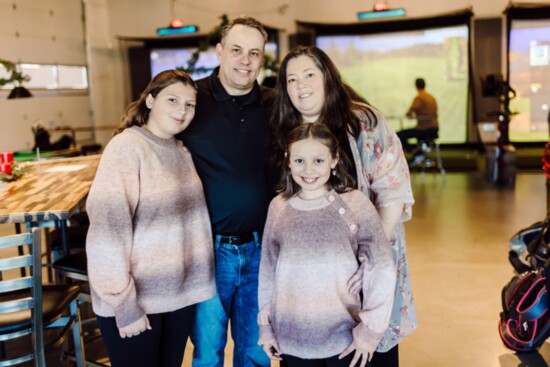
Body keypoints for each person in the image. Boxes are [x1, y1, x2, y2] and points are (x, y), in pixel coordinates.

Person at [270, 46, 416, 367]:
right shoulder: (285, 130)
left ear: (328, 77)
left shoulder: (362, 122)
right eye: (291, 79)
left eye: (309, 75)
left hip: (365, 263)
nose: (301, 85)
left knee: (365, 352)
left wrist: (368, 257)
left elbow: (392, 194)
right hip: (313, 280)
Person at [86, 69, 216, 367]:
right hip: (136, 301)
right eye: (172, 100)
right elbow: (107, 231)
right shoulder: (127, 148)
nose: (182, 111)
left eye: (190, 104)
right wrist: (123, 303)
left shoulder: (180, 150)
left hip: (176, 297)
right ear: (149, 100)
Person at [177, 15, 273, 367]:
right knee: (207, 353)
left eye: (254, 53)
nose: (245, 60)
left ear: (262, 59)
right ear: (219, 51)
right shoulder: (191, 100)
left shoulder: (275, 105)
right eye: (236, 50)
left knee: (256, 353)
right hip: (207, 253)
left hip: (262, 249)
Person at [258, 122, 396, 367]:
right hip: (291, 339)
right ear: (288, 160)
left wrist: (371, 330)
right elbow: (268, 272)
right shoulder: (278, 207)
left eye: (318, 161)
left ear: (334, 160)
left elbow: (382, 266)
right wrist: (265, 327)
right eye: (299, 160)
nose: (308, 169)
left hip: (344, 340)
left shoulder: (355, 204)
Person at [397, 78, 439, 164]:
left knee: (399, 135)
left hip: (424, 129)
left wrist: (413, 116)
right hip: (434, 128)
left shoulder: (419, 98)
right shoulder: (431, 97)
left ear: (416, 86)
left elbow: (409, 114)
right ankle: (419, 152)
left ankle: (416, 152)